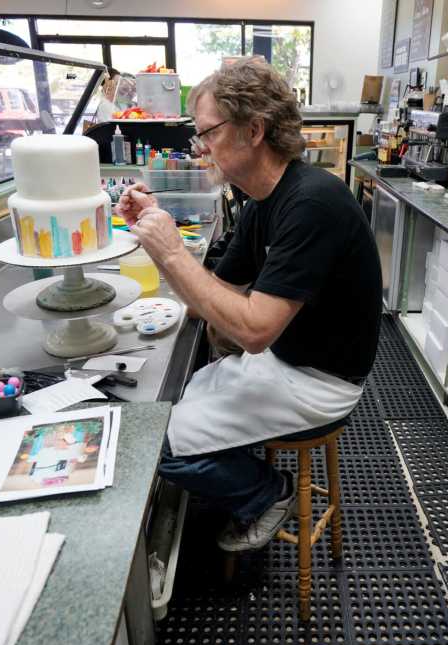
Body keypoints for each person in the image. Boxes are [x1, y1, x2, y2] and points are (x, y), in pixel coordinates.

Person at [120, 57, 381, 552]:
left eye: (208, 134)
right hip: (285, 360)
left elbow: (255, 331)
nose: (201, 148)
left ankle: (267, 492)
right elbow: (212, 294)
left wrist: (173, 253)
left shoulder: (312, 203)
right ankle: (239, 476)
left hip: (320, 381)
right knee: (175, 398)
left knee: (152, 443)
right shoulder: (262, 199)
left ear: (254, 130)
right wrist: (160, 238)